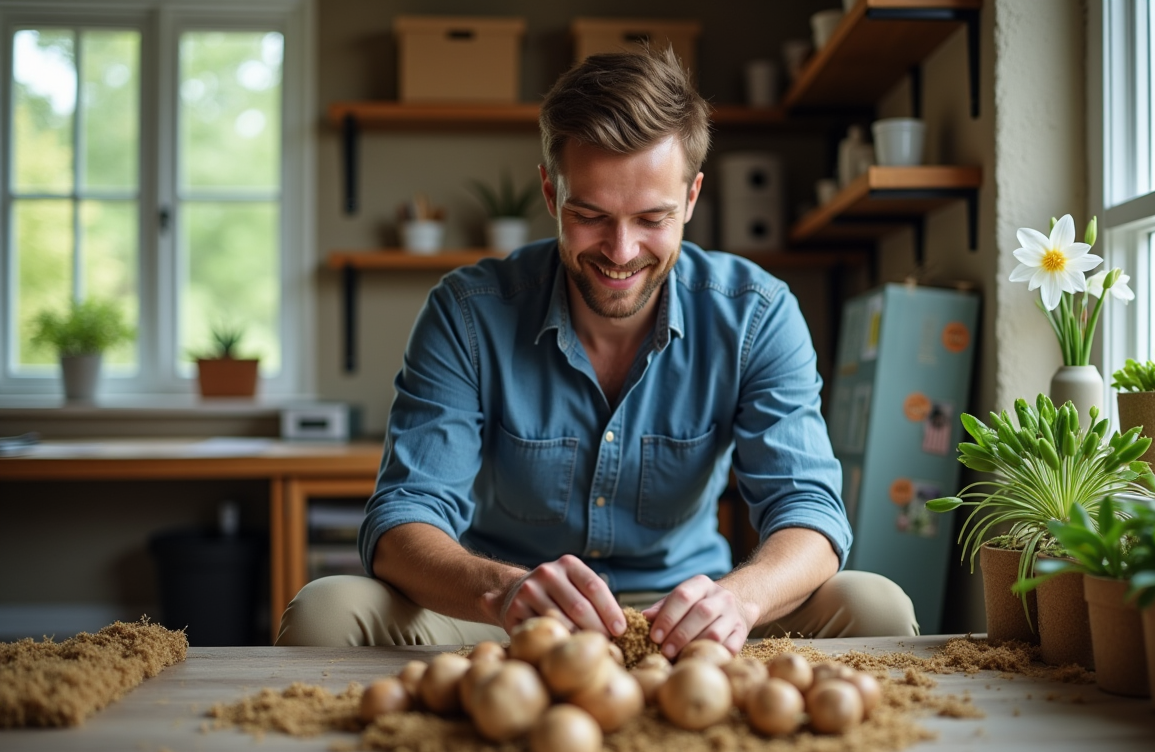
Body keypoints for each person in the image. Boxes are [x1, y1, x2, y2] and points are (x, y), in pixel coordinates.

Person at [277, 48, 918, 655]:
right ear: (551, 194)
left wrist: (739, 600)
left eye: (652, 219)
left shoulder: (757, 313)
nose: (620, 251)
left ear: (691, 198)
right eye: (590, 215)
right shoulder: (467, 312)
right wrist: (503, 591)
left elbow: (809, 510)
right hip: (510, 615)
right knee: (325, 610)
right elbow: (402, 517)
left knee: (875, 605)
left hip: (688, 617)